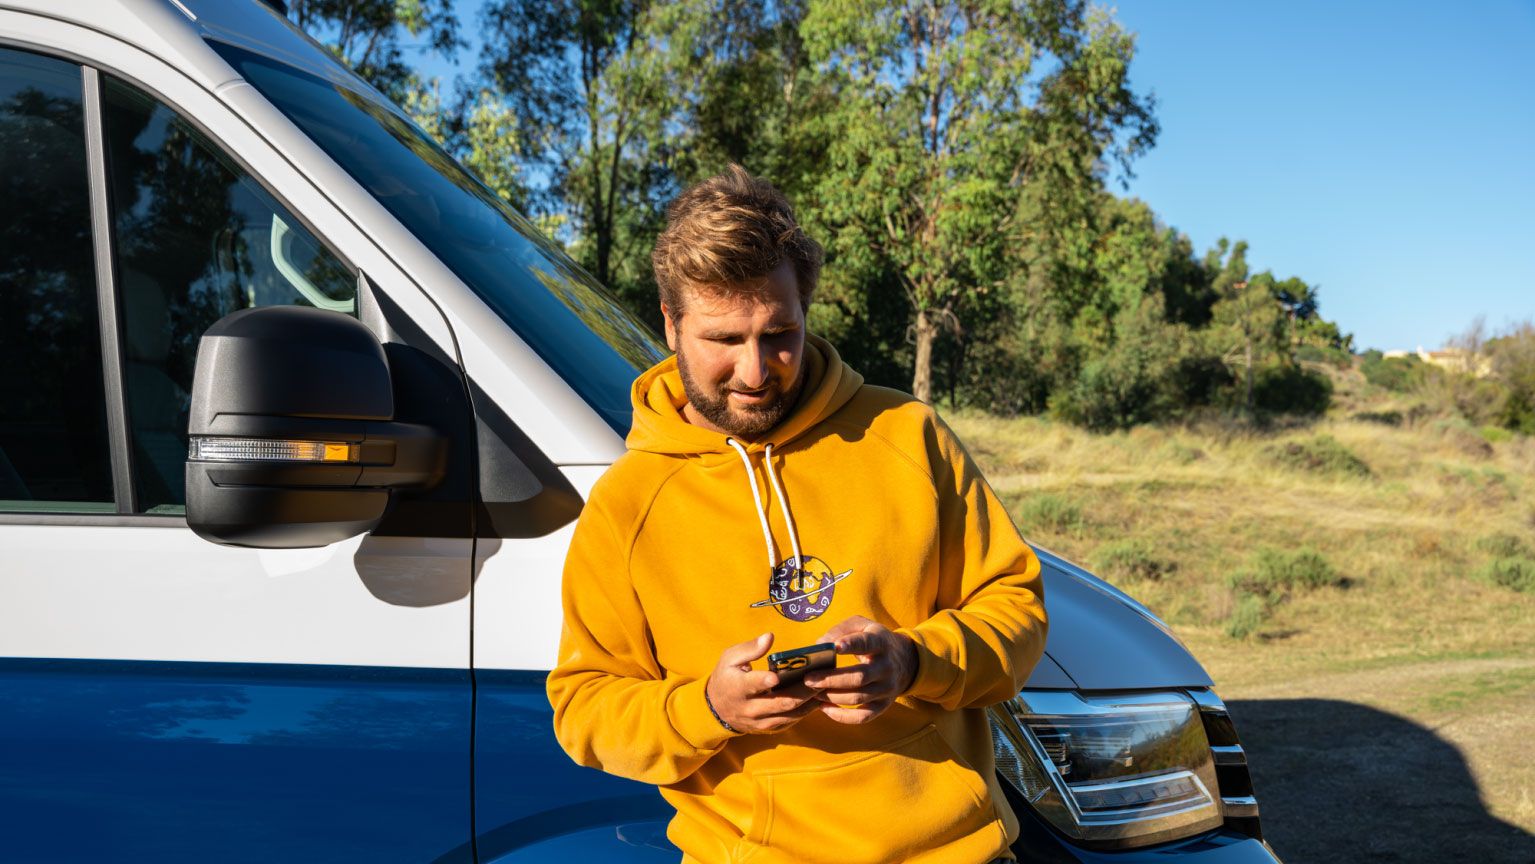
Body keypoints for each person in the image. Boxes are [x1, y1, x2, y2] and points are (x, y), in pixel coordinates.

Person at [547, 164, 1048, 864]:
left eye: (777, 333)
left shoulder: (904, 434)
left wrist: (912, 661)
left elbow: (1016, 610)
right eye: (723, 340)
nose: (755, 372)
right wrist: (710, 709)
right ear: (669, 323)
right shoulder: (626, 505)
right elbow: (584, 711)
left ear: (805, 309)